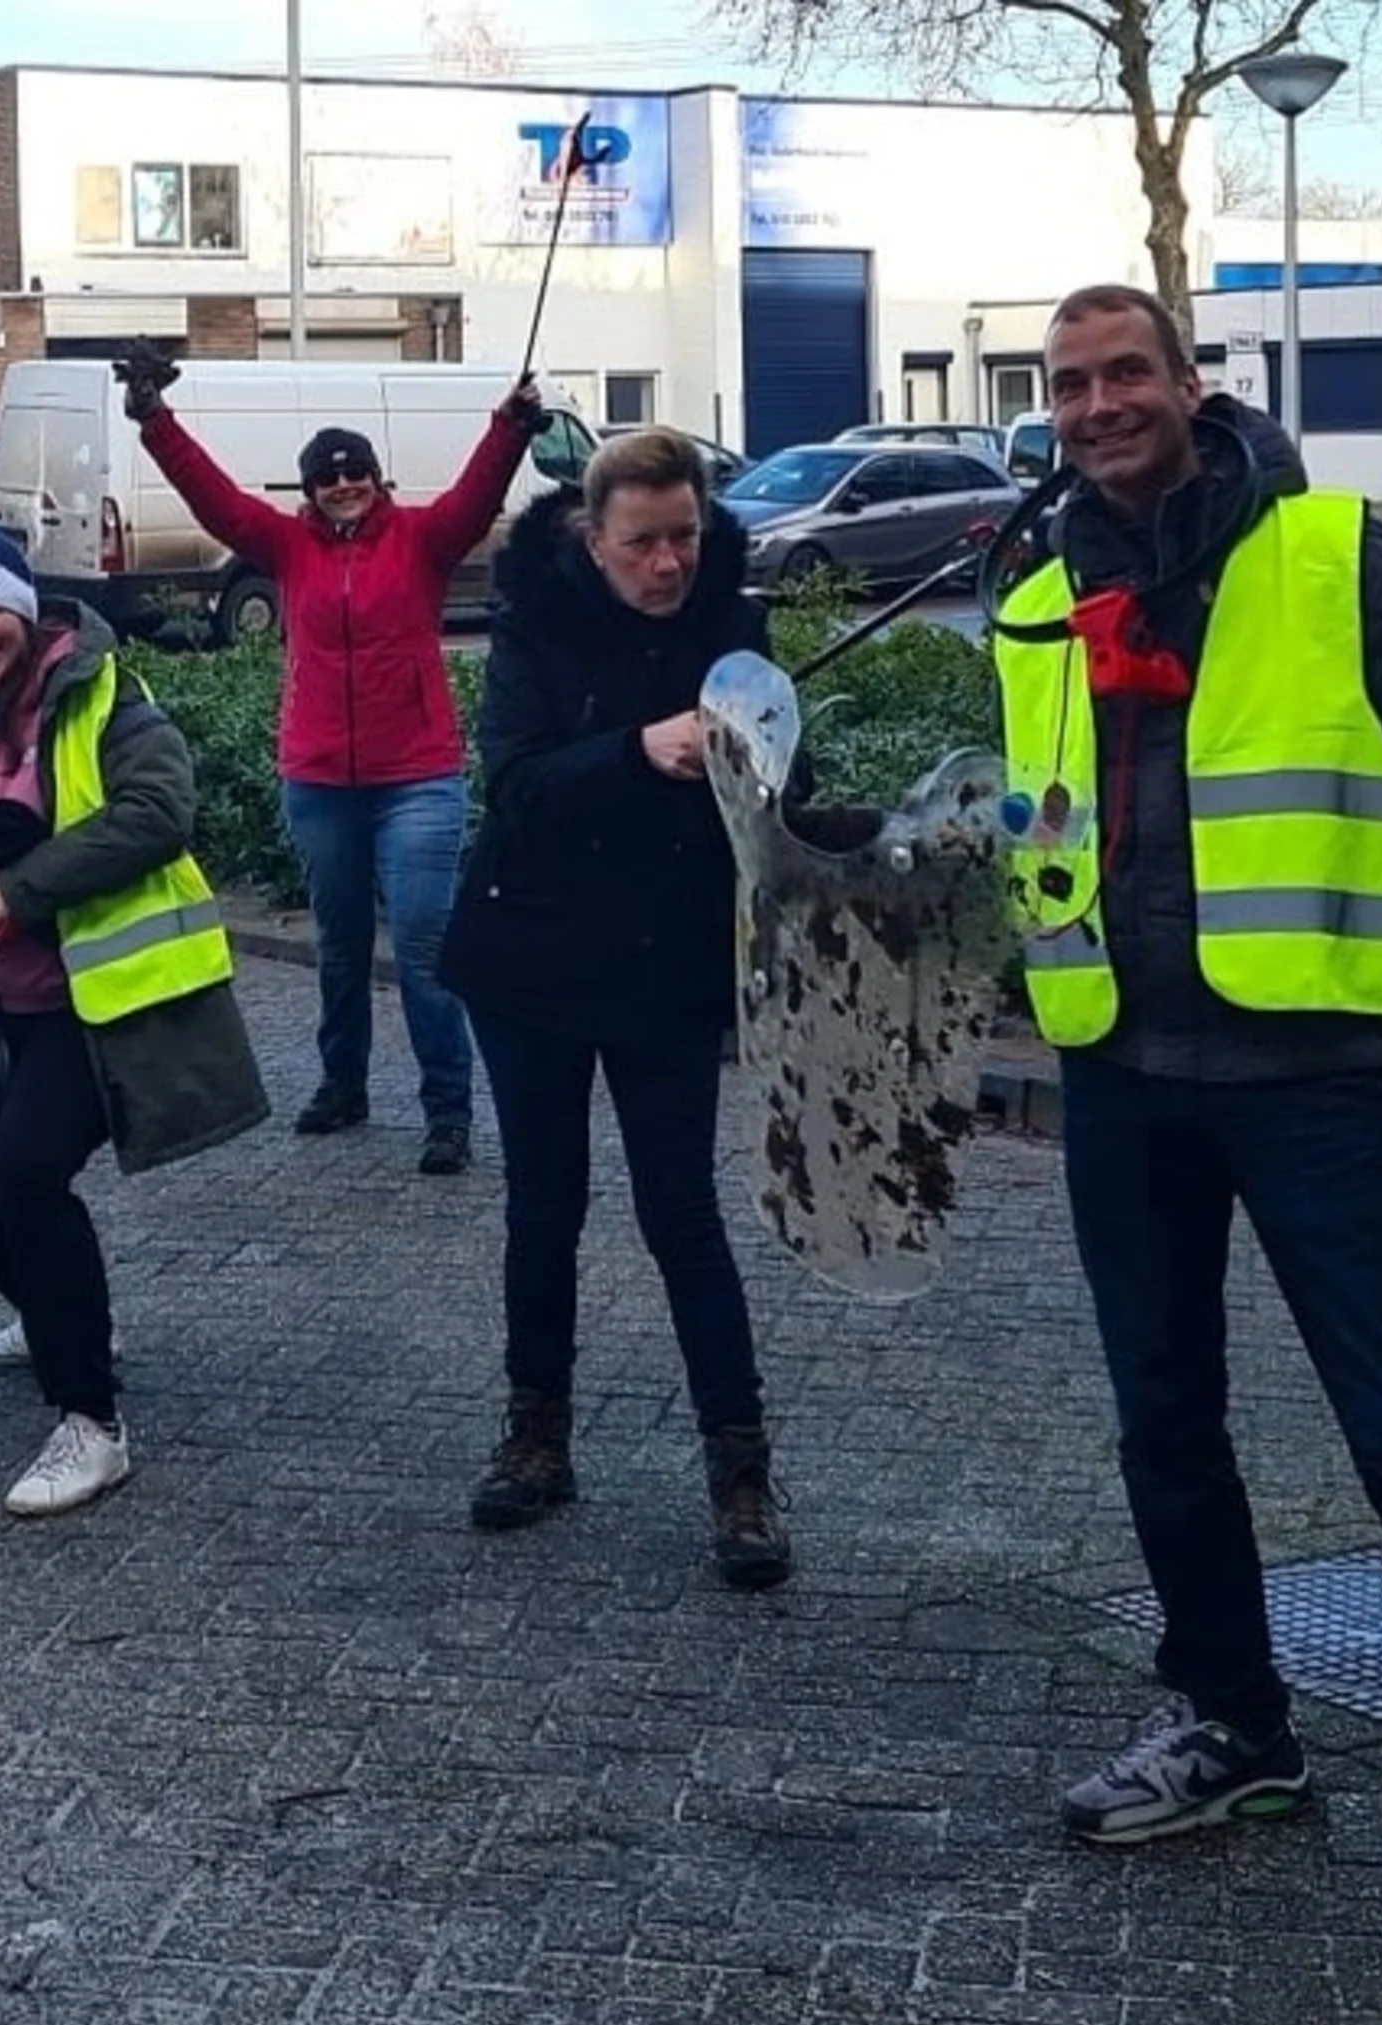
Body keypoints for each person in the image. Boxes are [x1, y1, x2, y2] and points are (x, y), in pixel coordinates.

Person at [992, 284, 1382, 1979]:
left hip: (1308, 1072)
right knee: (1163, 1429)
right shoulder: (1039, 591)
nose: (1099, 404)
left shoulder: (1328, 553)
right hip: (1121, 1074)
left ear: (1192, 382)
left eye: (1128, 374)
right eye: (1069, 381)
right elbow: (1037, 825)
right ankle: (1236, 1724)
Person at [0, 509, 267, 1515]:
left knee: (26, 1174)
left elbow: (160, 813)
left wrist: (22, 891)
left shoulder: (105, 695)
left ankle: (91, 1419)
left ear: (25, 614)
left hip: (92, 1001)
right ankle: (56, 1307)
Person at [434, 426, 792, 1592]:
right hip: (530, 951)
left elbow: (774, 788)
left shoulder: (732, 626)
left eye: (685, 536)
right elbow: (519, 784)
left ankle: (741, 1470)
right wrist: (640, 750)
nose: (669, 563)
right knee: (545, 1204)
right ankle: (537, 1437)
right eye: (643, 544)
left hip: (664, 960)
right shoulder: (534, 621)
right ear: (594, 540)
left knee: (681, 1213)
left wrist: (777, 786)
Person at [120, 347, 541, 1173]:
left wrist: (511, 425)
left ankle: (448, 1109)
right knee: (342, 943)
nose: (344, 485)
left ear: (378, 481)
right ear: (309, 489)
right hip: (319, 778)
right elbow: (215, 500)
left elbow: (477, 491)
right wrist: (153, 421)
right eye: (328, 476)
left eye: (357, 473)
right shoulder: (285, 547)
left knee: (422, 943)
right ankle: (342, 1083)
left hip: (418, 776)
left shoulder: (424, 539)